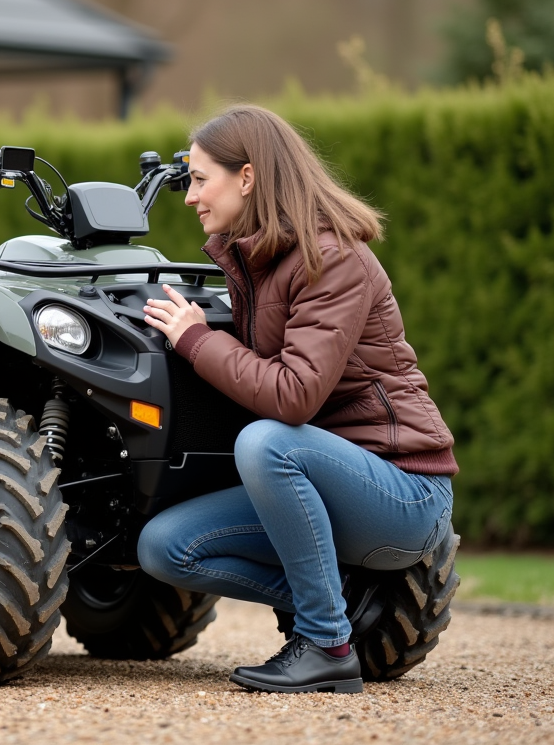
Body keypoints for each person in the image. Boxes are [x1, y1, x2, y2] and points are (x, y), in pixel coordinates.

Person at [137, 105, 456, 694]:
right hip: (328, 481)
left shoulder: (331, 258)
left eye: (202, 179)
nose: (190, 197)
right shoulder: (257, 261)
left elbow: (292, 398)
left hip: (402, 490)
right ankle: (342, 605)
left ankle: (326, 643)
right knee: (164, 547)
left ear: (249, 178)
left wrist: (194, 339)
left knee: (265, 442)